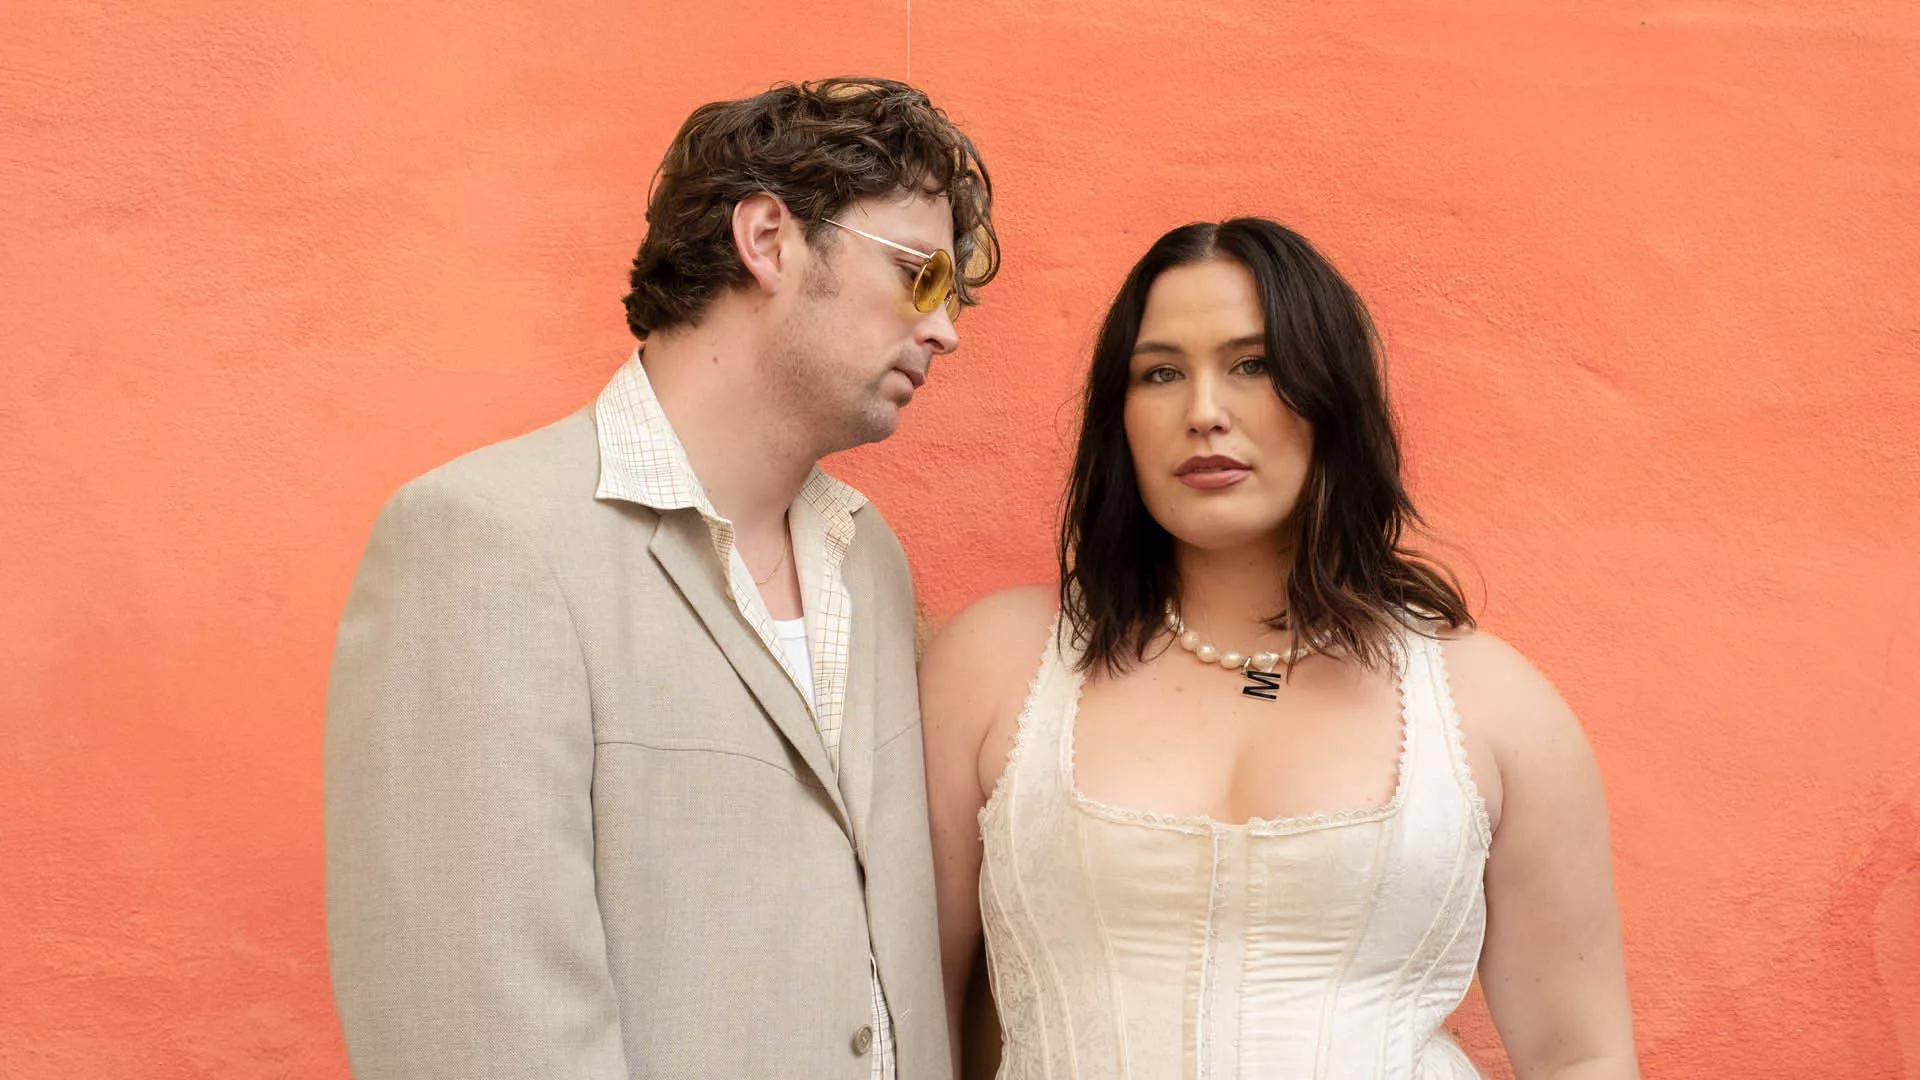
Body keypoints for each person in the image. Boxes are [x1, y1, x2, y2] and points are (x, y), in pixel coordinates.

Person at [325, 78, 997, 1080]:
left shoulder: (869, 557)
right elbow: (471, 1021)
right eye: (919, 274)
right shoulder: (486, 540)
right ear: (767, 239)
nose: (944, 330)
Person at [920, 219, 1638, 1078]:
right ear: (1120, 416)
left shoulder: (1490, 705)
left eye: (1253, 365)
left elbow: (1581, 1056)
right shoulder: (994, 668)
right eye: (1160, 373)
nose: (1204, 412)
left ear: (1330, 396)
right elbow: (910, 1019)